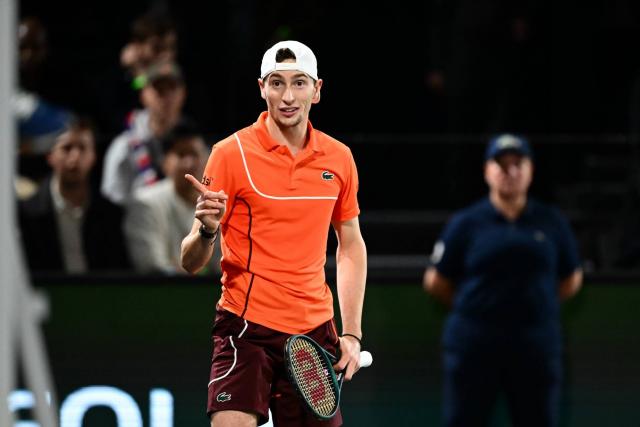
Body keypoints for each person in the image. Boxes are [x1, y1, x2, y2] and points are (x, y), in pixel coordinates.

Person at [180, 40, 367, 427]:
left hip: (314, 331)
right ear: (261, 87)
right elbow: (190, 262)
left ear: (316, 91)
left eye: (300, 83)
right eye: (277, 83)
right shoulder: (230, 153)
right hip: (245, 327)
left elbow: (349, 244)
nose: (287, 96)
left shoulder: (339, 158)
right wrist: (207, 231)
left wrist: (352, 333)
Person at [423, 134, 583, 427]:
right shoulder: (465, 223)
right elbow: (436, 281)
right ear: (487, 170)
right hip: (475, 345)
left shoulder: (551, 221)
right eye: (501, 164)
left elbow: (571, 278)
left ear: (531, 170)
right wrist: (476, 309)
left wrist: (536, 304)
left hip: (535, 344)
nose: (509, 172)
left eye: (517, 164)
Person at [18, 116, 131, 274]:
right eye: (66, 148)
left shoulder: (111, 215)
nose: (75, 157)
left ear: (93, 157)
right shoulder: (26, 214)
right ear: (50, 156)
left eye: (83, 148)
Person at [124, 119, 220, 274]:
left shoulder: (221, 203)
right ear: (164, 162)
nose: (189, 163)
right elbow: (151, 266)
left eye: (195, 154)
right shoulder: (144, 203)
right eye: (181, 154)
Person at [101, 60, 186, 205]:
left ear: (183, 93)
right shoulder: (124, 146)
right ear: (143, 95)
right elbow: (112, 201)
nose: (166, 97)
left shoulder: (194, 144)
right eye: (159, 90)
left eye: (172, 88)